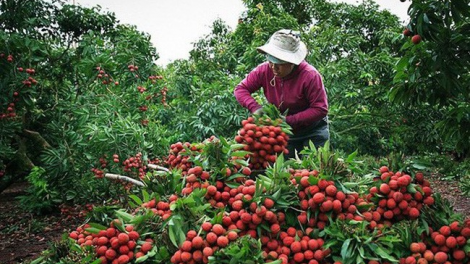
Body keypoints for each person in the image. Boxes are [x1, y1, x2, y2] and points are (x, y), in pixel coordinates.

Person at [234, 29, 329, 158]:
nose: (274, 68)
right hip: (285, 133)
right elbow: (240, 89)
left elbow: (320, 109)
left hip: (313, 131)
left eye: (279, 64)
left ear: (292, 63)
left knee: (313, 169)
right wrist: (255, 107)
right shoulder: (264, 71)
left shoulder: (310, 76)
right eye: (271, 62)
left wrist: (289, 120)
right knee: (288, 172)